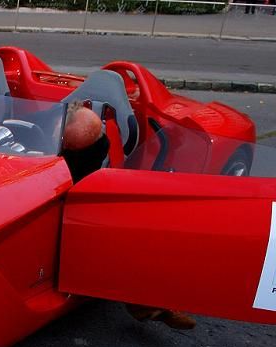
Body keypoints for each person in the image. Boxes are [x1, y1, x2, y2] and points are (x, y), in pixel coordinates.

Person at [61, 102, 197, 330]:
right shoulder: (50, 127)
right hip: (62, 183)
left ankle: (147, 304)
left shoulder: (95, 145)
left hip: (83, 194)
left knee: (122, 233)